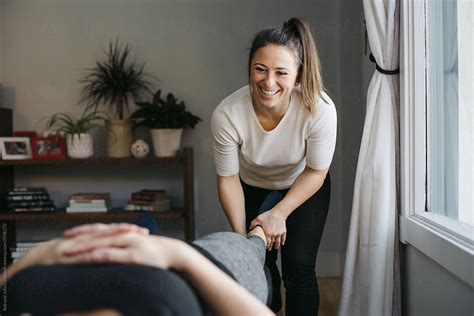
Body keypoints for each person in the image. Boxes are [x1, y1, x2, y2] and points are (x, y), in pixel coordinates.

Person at [211, 17, 337, 316]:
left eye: (281, 72)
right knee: (258, 263)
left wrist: (280, 213)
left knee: (299, 268)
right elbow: (227, 179)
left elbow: (316, 171)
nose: (268, 82)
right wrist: (242, 237)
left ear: (297, 77)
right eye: (260, 69)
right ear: (250, 68)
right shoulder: (227, 114)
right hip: (252, 185)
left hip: (304, 185)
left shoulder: (319, 109)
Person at [4, 223, 273, 316]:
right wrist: (178, 254)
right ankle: (262, 230)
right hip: (226, 273)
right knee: (252, 247)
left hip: (164, 256)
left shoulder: (20, 294)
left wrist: (38, 254)